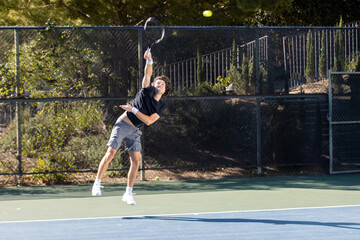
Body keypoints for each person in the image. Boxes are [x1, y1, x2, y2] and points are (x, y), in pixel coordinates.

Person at [91, 50, 171, 206]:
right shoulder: (146, 90)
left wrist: (133, 110)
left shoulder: (161, 106)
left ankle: (128, 193)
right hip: (123, 124)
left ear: (166, 89)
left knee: (136, 161)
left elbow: (148, 121)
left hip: (135, 130)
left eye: (162, 83)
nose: (159, 83)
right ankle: (97, 183)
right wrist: (149, 61)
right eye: (157, 81)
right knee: (111, 153)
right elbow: (148, 74)